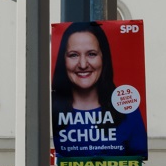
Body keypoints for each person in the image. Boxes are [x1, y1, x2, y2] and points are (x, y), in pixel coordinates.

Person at [51, 22, 147, 158]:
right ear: (63, 60)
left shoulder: (127, 111)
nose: (83, 64)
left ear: (103, 58)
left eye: (91, 54)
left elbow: (136, 163)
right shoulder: (48, 111)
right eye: (73, 55)